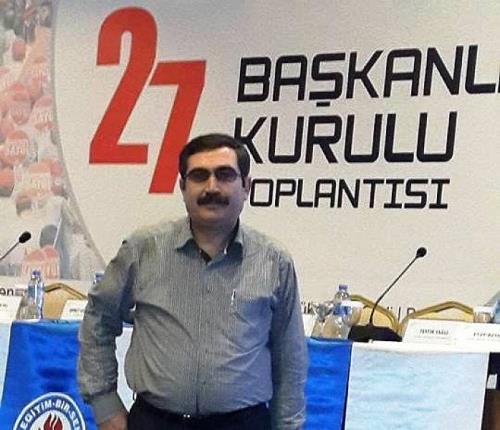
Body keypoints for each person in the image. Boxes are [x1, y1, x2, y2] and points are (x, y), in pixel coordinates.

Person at [78, 133, 307, 430]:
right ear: (183, 187)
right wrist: (105, 404)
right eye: (199, 176)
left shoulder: (274, 261)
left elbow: (290, 357)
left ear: (246, 186)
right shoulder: (143, 249)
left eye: (225, 175)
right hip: (155, 422)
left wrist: (288, 425)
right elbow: (99, 316)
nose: (212, 187)